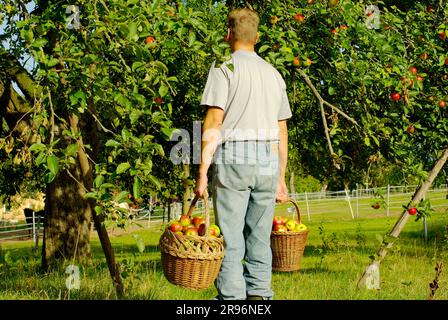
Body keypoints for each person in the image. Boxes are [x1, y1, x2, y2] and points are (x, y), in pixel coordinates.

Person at [194, 7, 292, 300]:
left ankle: (232, 300)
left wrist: (202, 170)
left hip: (235, 156)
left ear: (228, 35)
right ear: (257, 37)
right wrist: (280, 176)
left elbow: (214, 121)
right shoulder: (274, 75)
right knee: (259, 236)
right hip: (266, 157)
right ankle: (260, 296)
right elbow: (282, 131)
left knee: (231, 237)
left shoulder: (224, 67)